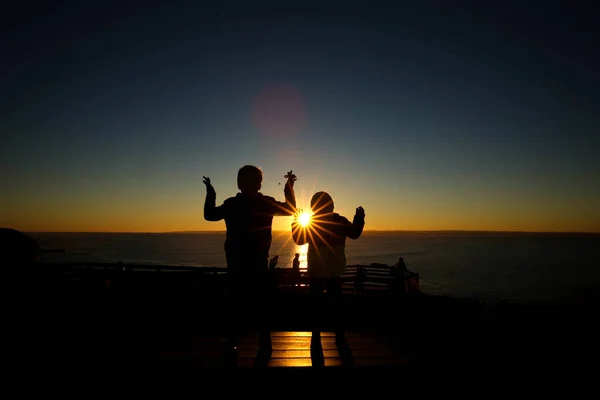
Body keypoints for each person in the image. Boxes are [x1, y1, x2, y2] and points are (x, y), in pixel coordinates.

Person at [203, 166, 297, 351]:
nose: (247, 184)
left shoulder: (233, 204)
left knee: (239, 302)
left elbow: (209, 215)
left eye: (249, 181)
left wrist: (211, 194)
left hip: (241, 261)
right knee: (254, 302)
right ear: (258, 184)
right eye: (246, 180)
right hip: (250, 261)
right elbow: (290, 209)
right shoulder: (262, 203)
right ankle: (262, 342)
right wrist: (288, 188)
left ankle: (236, 341)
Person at [291, 191, 365, 346]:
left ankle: (316, 336)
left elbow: (298, 239)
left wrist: (297, 221)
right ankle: (339, 335)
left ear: (313, 208)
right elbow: (354, 233)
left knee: (316, 306)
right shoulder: (339, 221)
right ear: (332, 205)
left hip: (317, 272)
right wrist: (359, 218)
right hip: (334, 272)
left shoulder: (311, 223)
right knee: (336, 305)